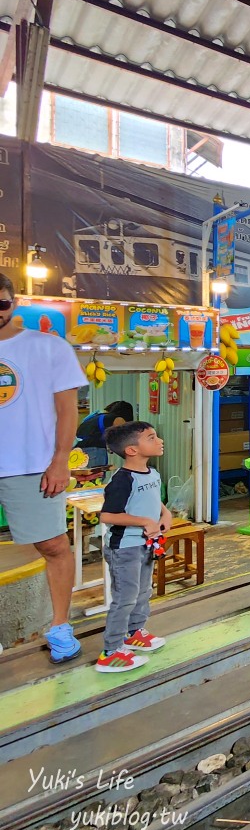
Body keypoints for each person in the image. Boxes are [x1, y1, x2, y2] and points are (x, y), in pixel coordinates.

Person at [0, 273, 86, 663]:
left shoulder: (48, 346)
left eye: (1, 302)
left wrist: (59, 461)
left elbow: (68, 410)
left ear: (13, 302)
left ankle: (60, 625)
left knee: (53, 544)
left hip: (32, 465)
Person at [95, 421, 169, 672]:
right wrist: (144, 522)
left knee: (142, 592)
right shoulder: (122, 480)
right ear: (131, 450)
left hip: (146, 544)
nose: (159, 441)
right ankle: (111, 652)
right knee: (125, 598)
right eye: (151, 437)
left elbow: (154, 500)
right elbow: (107, 516)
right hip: (124, 548)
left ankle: (134, 633)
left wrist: (164, 514)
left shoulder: (152, 473)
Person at [74, 401, 135, 468]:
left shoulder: (93, 417)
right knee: (97, 477)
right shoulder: (118, 419)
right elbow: (120, 440)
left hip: (76, 452)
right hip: (94, 452)